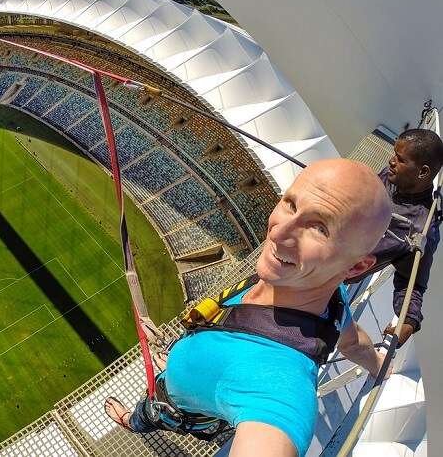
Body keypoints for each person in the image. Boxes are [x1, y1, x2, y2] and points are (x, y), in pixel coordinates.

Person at [104, 159, 392, 457]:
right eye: (291, 204)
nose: (278, 233)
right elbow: (353, 341)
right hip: (196, 377)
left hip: (173, 405)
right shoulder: (330, 300)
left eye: (320, 228)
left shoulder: (279, 386)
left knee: (146, 415)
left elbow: (272, 432)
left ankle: (130, 421)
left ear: (356, 266)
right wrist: (381, 366)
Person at [347, 129, 443, 345]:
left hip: (330, 280)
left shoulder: (420, 230)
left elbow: (412, 283)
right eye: (394, 154)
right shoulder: (393, 176)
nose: (391, 161)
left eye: (400, 159)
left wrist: (408, 320)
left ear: (422, 172)